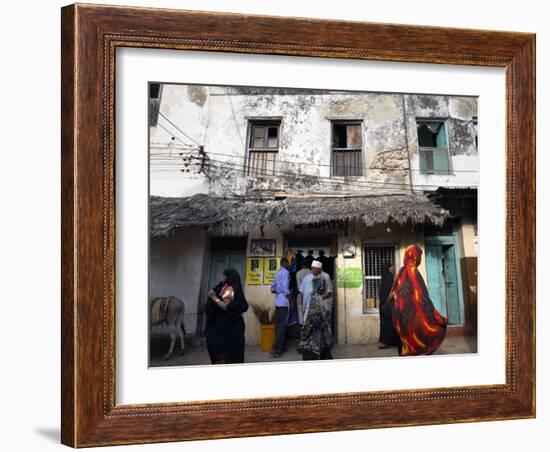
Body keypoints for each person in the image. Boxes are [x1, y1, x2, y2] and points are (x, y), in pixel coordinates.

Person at [388, 244, 448, 356]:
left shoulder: (401, 271)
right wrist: (435, 315)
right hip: (411, 314)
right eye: (419, 255)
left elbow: (393, 293)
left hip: (399, 313)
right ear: (416, 256)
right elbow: (421, 296)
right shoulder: (413, 271)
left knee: (405, 341)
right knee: (417, 339)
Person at [204, 268, 249, 364]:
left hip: (228, 328)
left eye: (224, 275)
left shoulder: (229, 289)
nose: (222, 277)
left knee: (225, 354)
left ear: (228, 277)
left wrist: (214, 298)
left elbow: (226, 306)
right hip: (232, 326)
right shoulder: (229, 288)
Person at [298, 260, 334, 360]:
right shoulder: (308, 277)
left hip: (323, 309)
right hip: (309, 308)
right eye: (312, 268)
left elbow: (330, 292)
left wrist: (320, 297)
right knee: (309, 329)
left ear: (319, 269)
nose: (312, 270)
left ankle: (322, 351)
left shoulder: (325, 277)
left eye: (315, 269)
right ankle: (311, 350)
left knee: (322, 330)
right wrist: (303, 306)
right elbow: (302, 292)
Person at [270, 257, 292, 357]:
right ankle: (277, 350)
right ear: (285, 263)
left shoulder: (277, 273)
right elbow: (285, 288)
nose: (289, 265)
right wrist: (291, 299)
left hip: (278, 302)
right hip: (284, 302)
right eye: (288, 264)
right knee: (282, 327)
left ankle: (277, 348)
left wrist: (278, 292)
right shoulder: (286, 273)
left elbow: (272, 288)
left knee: (278, 326)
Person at [378, 262, 400, 349]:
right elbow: (389, 294)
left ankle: (387, 342)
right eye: (391, 267)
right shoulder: (389, 279)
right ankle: (390, 342)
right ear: (388, 269)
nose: (393, 269)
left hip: (385, 306)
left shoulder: (386, 278)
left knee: (387, 323)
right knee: (389, 323)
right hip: (388, 306)